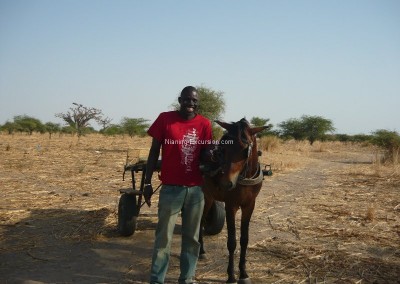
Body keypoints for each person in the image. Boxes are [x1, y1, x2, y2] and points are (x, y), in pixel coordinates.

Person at [144, 86, 213, 284]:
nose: (190, 103)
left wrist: (212, 154)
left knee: (192, 239)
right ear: (180, 99)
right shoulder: (165, 119)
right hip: (171, 189)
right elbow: (153, 152)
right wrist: (147, 182)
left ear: (197, 103)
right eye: (186, 99)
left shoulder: (204, 124)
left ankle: (187, 279)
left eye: (193, 101)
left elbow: (206, 153)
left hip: (195, 190)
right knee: (163, 239)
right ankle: (157, 280)